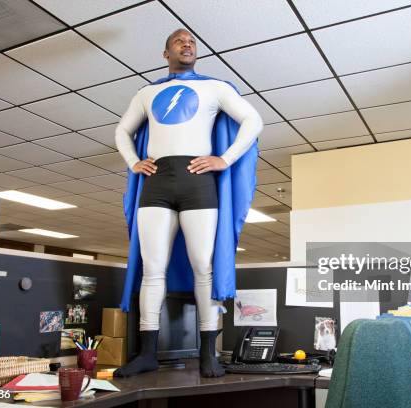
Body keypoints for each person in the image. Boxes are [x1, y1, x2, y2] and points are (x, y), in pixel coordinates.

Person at [114, 28, 263, 378]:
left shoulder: (215, 87)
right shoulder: (147, 93)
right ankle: (147, 352)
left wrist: (224, 159)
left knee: (203, 268)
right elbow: (121, 131)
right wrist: (133, 161)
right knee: (153, 270)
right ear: (166, 53)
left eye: (192, 42)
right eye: (179, 41)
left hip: (198, 181)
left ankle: (209, 352)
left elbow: (253, 120)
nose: (187, 44)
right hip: (157, 182)